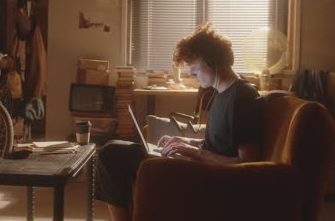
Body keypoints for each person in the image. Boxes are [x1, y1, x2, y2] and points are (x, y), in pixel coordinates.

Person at [95, 22, 263, 221]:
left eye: (193, 66)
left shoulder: (242, 96)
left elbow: (248, 163)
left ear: (211, 60)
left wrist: (195, 152)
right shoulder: (221, 93)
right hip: (199, 166)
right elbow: (220, 143)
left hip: (210, 177)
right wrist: (184, 143)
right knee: (114, 147)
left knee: (112, 154)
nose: (191, 73)